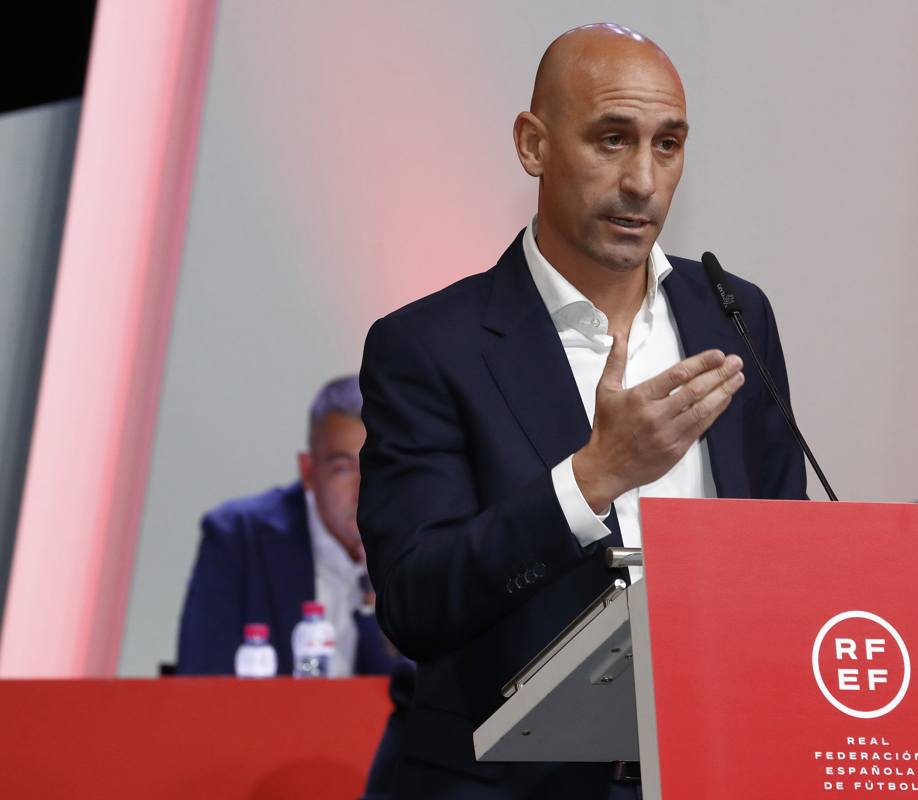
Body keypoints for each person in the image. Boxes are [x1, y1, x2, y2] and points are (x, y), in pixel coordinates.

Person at [356, 23, 807, 799]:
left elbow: (783, 543)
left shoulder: (732, 314)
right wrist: (592, 478)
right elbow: (416, 601)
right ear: (534, 146)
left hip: (707, 771)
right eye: (611, 139)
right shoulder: (430, 347)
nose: (642, 180)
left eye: (668, 146)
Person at [177, 376, 396, 677]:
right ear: (308, 471)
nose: (365, 489)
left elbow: (428, 700)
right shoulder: (238, 537)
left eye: (381, 466)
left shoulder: (432, 545)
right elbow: (202, 683)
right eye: (343, 468)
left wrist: (376, 593)